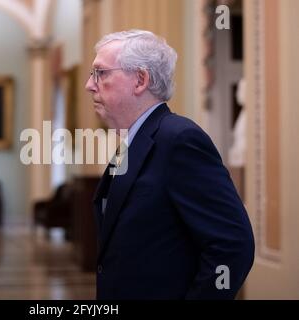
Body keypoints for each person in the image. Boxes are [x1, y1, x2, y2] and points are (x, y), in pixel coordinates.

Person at [85, 30, 254, 300]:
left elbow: (232, 244)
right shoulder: (135, 139)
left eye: (100, 73)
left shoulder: (179, 140)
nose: (89, 85)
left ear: (140, 80)